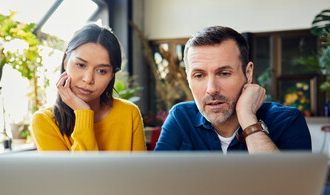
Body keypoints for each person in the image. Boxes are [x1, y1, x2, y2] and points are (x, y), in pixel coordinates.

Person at [154, 26, 311, 153]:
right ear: (188, 79)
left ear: (248, 73)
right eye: (199, 75)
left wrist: (247, 117)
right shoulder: (181, 118)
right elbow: (155, 185)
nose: (211, 89)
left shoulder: (287, 121)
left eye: (224, 73)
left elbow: (288, 188)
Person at [31, 24, 146, 151]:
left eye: (101, 71)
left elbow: (140, 171)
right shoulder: (45, 121)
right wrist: (83, 113)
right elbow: (81, 171)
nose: (88, 79)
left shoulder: (129, 113)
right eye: (80, 65)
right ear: (65, 63)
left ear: (112, 75)